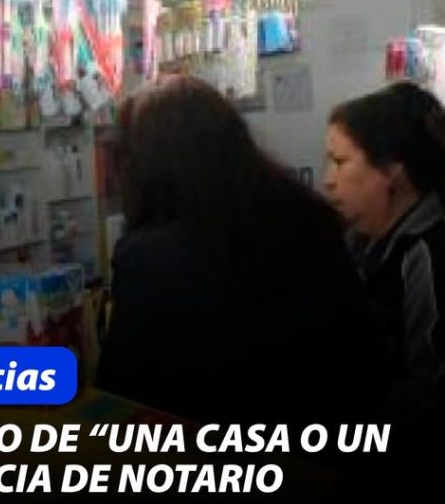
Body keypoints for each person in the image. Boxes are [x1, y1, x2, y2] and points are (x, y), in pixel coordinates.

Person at [97, 76, 386, 426]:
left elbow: (121, 395)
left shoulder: (150, 259)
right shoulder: (308, 221)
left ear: (145, 166)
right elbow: (362, 355)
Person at [325, 81, 445, 423]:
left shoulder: (428, 255)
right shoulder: (357, 240)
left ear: (392, 171)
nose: (328, 180)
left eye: (340, 162)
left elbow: (430, 392)